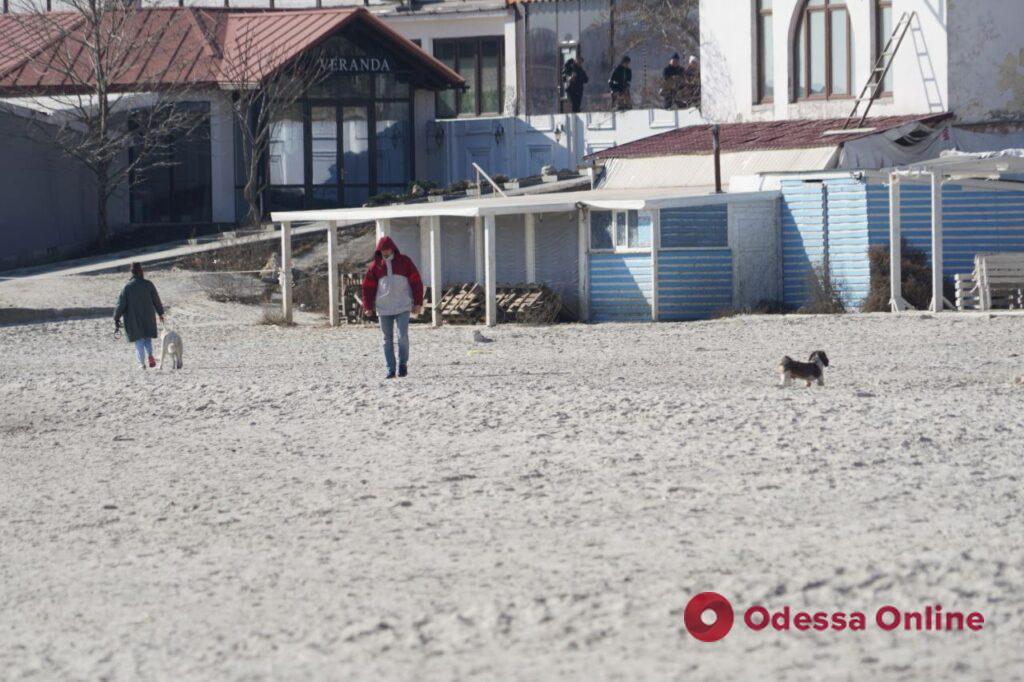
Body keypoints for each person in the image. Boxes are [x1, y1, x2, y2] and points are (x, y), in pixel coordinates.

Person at [361, 236, 424, 379]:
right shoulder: (374, 267)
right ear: (379, 250)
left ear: (392, 248)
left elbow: (416, 281)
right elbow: (367, 287)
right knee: (386, 339)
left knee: (402, 336)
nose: (385, 251)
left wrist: (418, 302)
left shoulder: (405, 262)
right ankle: (390, 368)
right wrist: (368, 306)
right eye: (382, 249)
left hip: (403, 305)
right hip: (384, 308)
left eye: (387, 249)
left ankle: (403, 364)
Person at [114, 262, 164, 370]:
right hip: (148, 316)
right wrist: (160, 312)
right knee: (147, 338)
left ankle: (141, 364)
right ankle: (150, 355)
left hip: (133, 318)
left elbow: (121, 304)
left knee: (139, 341)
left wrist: (116, 317)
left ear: (131, 272)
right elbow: (156, 299)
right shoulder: (148, 284)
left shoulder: (127, 287)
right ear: (141, 271)